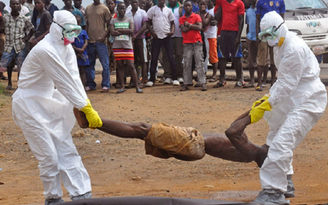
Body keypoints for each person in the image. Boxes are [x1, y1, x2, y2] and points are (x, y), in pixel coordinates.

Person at [12, 10, 103, 205]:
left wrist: (87, 106)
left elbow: (74, 79)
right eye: (69, 31)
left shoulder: (67, 48)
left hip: (49, 103)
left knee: (66, 149)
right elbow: (63, 81)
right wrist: (83, 106)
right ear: (56, 28)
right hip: (28, 105)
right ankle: (53, 198)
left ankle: (82, 196)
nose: (72, 35)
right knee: (49, 156)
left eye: (76, 31)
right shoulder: (45, 50)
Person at [249, 11, 327, 204]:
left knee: (282, 142)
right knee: (275, 134)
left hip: (308, 99)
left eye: (270, 35)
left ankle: (274, 192)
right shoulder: (280, 45)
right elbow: (282, 80)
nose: (268, 40)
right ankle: (286, 180)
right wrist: (267, 98)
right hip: (295, 96)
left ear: (280, 27)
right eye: (264, 37)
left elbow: (287, 84)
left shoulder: (293, 48)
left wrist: (268, 102)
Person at [74, 106, 268, 167]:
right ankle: (94, 123)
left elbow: (232, 131)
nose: (268, 145)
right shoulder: (249, 148)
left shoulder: (250, 152)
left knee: (142, 129)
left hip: (194, 143)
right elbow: (234, 127)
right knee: (142, 133)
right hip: (195, 146)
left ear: (264, 155)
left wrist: (253, 115)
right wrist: (255, 107)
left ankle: (93, 122)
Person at [0, 0, 34, 90]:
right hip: (9, 45)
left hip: (20, 46)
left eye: (17, 4)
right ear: (10, 5)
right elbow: (2, 27)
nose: (15, 5)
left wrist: (26, 39)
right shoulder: (5, 18)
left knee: (20, 66)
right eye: (13, 4)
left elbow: (32, 30)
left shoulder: (23, 19)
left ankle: (19, 84)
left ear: (19, 5)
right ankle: (10, 83)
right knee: (8, 65)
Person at [110, 2, 143, 94]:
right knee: (120, 66)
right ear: (117, 9)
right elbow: (112, 32)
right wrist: (125, 31)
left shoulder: (129, 19)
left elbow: (131, 31)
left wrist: (119, 30)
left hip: (127, 46)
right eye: (120, 8)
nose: (122, 10)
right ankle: (122, 87)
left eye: (123, 8)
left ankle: (137, 86)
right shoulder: (113, 20)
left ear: (125, 9)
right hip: (117, 47)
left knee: (131, 66)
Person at [146, 0, 180, 87]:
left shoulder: (168, 10)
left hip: (167, 36)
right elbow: (147, 22)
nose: (161, 1)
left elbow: (172, 23)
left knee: (171, 57)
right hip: (156, 37)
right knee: (154, 58)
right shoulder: (152, 10)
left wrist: (172, 31)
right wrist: (152, 32)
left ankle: (175, 78)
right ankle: (152, 79)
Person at [214, 0, 245, 88]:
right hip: (223, 32)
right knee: (222, 56)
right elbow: (217, 17)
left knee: (236, 57)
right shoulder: (222, 2)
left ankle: (240, 79)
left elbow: (241, 19)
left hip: (234, 32)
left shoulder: (239, 3)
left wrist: (238, 36)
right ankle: (222, 79)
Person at [255, 0, 285, 91]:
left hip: (275, 34)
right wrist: (257, 34)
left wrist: (281, 33)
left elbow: (282, 19)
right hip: (263, 33)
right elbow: (257, 18)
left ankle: (273, 82)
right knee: (261, 59)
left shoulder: (280, 1)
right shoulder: (260, 2)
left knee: (274, 59)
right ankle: (259, 83)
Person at [179, 0, 206, 92]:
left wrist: (189, 25)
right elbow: (183, 29)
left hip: (197, 42)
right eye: (186, 6)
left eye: (189, 6)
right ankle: (186, 83)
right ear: (184, 7)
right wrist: (193, 26)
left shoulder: (196, 16)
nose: (187, 7)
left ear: (192, 7)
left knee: (199, 63)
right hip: (187, 43)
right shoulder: (181, 19)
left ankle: (202, 83)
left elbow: (200, 27)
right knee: (187, 64)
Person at [84, 0, 111, 92]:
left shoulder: (104, 9)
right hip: (90, 42)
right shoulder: (88, 8)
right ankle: (91, 84)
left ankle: (106, 84)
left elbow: (110, 25)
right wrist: (86, 37)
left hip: (101, 42)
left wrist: (104, 36)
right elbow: (87, 24)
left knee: (105, 64)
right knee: (90, 65)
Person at [126, 0, 148, 88]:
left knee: (143, 60)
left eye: (136, 2)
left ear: (138, 3)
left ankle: (143, 81)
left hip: (141, 39)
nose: (134, 4)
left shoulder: (142, 12)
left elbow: (145, 26)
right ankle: (133, 80)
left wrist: (136, 35)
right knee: (132, 60)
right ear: (130, 3)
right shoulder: (127, 13)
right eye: (133, 2)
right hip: (131, 40)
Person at [161, 0, 184, 85]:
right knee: (166, 55)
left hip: (179, 35)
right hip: (166, 35)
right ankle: (168, 76)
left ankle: (179, 75)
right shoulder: (164, 8)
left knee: (179, 55)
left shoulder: (181, 8)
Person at [243, 0, 257, 88]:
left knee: (262, 61)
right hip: (251, 38)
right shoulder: (248, 11)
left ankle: (261, 81)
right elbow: (248, 25)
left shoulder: (261, 9)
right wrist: (247, 37)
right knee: (251, 60)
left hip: (260, 38)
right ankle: (252, 80)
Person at [72, 15, 89, 85]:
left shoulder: (84, 32)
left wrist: (82, 49)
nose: (77, 23)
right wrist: (77, 50)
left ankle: (83, 85)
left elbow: (86, 42)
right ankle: (76, 85)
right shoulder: (71, 32)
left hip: (83, 52)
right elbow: (69, 43)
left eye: (79, 22)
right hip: (74, 52)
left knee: (83, 70)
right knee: (75, 70)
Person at [204, 0, 218, 83]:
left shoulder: (215, 10)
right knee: (204, 56)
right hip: (204, 35)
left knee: (213, 56)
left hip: (212, 35)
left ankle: (214, 74)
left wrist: (207, 20)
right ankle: (204, 74)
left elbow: (215, 22)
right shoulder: (204, 10)